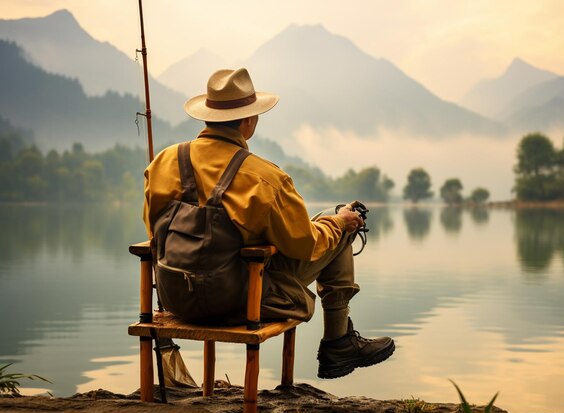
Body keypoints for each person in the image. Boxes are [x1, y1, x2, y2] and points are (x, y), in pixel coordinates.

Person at [143, 68, 394, 379]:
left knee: (329, 222)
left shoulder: (162, 164)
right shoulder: (264, 178)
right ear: (249, 122)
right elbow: (306, 246)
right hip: (235, 303)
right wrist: (340, 223)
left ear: (206, 116)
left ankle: (340, 342)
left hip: (176, 298)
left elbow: (154, 232)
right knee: (337, 225)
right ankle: (338, 343)